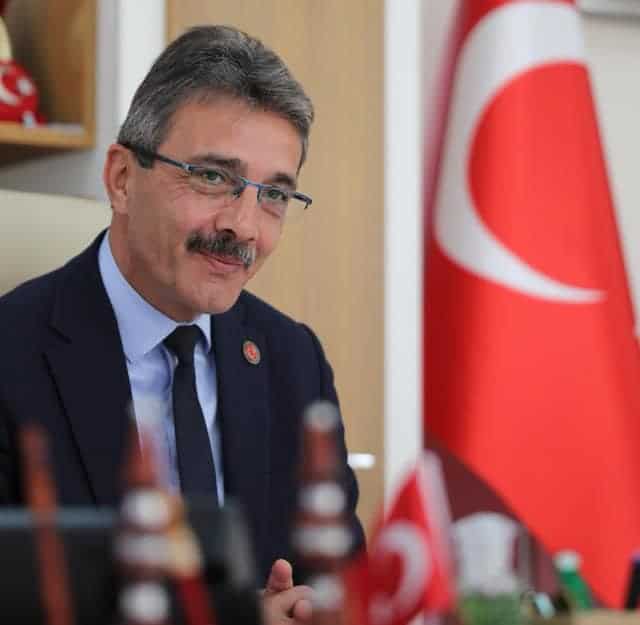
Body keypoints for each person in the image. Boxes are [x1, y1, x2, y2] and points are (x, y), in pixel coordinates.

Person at [0, 25, 363, 624]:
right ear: (122, 179)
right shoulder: (11, 355)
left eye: (274, 195)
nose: (245, 226)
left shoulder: (292, 359)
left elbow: (339, 576)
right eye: (214, 177)